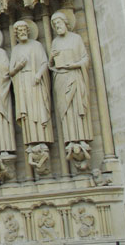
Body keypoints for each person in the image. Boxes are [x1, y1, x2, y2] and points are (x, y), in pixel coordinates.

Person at [50, 10, 92, 147]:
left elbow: (85, 58)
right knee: (66, 110)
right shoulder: (55, 42)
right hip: (61, 78)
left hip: (75, 76)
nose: (57, 26)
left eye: (59, 22)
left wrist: (75, 65)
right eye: (55, 24)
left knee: (77, 107)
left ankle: (82, 138)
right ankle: (70, 139)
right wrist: (51, 57)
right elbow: (51, 65)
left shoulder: (76, 38)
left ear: (65, 23)